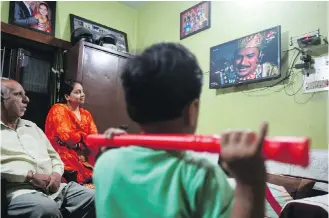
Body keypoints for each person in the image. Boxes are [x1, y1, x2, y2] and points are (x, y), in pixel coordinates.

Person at [93, 42, 267, 218]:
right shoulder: (201, 174)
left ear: (131, 109)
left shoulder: (105, 163)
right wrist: (250, 184)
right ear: (192, 110)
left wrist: (111, 155)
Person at [0, 78, 95, 218]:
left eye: (25, 94)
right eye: (18, 94)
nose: (26, 99)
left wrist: (56, 175)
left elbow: (55, 156)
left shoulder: (31, 127)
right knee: (46, 209)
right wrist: (28, 176)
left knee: (94, 197)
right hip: (21, 190)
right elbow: (67, 137)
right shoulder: (59, 110)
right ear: (2, 99)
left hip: (54, 187)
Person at [45, 79, 98, 188]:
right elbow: (66, 136)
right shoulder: (58, 109)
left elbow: (94, 138)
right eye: (77, 92)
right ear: (67, 96)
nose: (82, 95)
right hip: (64, 158)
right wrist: (83, 138)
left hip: (84, 159)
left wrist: (78, 143)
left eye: (82, 92)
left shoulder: (86, 114)